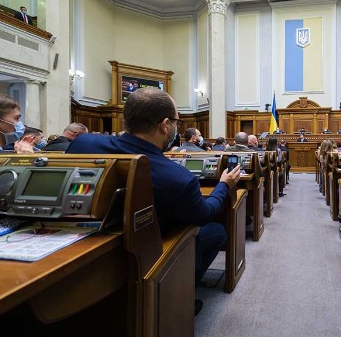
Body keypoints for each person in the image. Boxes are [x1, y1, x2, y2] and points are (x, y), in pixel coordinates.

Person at [66, 87, 241, 315]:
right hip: (145, 252)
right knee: (216, 230)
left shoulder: (83, 145)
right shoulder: (177, 178)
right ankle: (180, 295)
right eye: (176, 122)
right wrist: (223, 185)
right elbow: (205, 213)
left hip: (82, 245)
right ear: (165, 125)